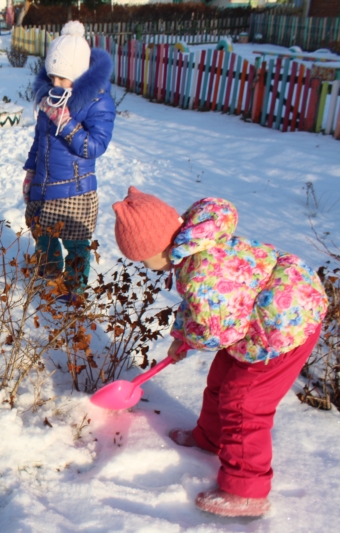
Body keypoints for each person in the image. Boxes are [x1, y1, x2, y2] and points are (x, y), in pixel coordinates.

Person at [112, 186, 328, 517]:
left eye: (143, 258)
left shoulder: (199, 273)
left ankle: (246, 490)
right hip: (264, 310)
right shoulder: (198, 242)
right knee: (220, 377)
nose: (146, 265)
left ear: (158, 247)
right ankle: (210, 439)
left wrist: (192, 338)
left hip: (285, 324)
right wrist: (183, 336)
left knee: (244, 401)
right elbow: (210, 307)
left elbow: (216, 329)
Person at [23, 20, 116, 301]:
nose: (56, 84)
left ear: (81, 74)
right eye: (53, 77)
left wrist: (65, 123)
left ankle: (73, 290)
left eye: (64, 79)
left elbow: (94, 146)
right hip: (44, 183)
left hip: (75, 188)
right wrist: (30, 171)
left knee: (76, 242)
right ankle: (49, 277)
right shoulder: (50, 98)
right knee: (43, 234)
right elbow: (40, 140)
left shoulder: (98, 102)